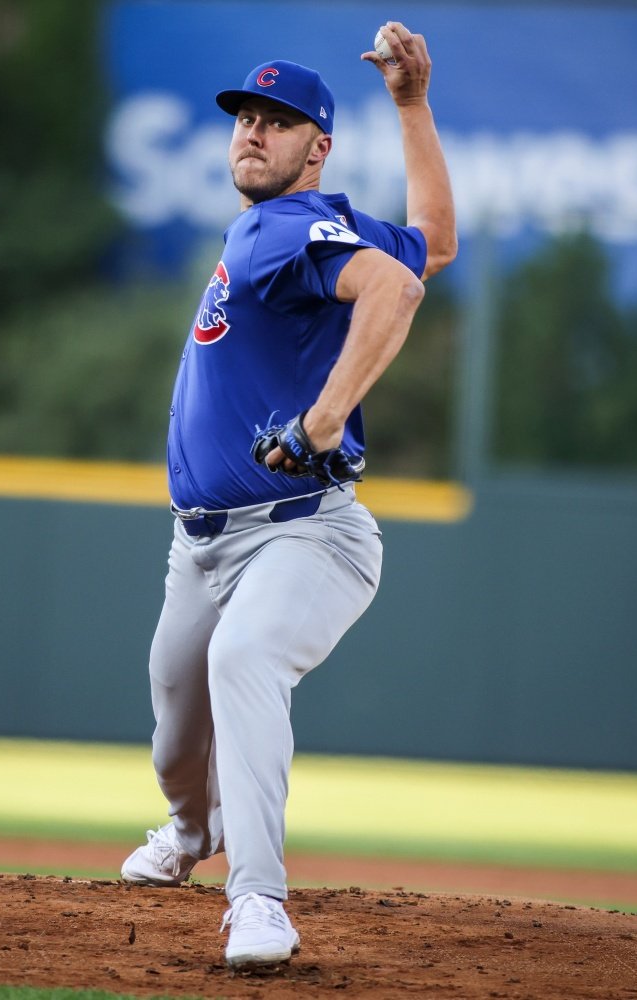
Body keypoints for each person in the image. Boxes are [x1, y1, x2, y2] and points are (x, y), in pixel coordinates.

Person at [119, 22, 456, 970]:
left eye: (280, 121)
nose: (253, 133)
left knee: (245, 659)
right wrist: (414, 105)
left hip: (305, 533)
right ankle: (191, 833)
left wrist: (320, 422)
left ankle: (259, 900)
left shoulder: (283, 226)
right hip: (203, 546)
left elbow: (398, 286)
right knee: (175, 740)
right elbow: (435, 239)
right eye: (245, 118)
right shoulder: (299, 230)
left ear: (318, 148)